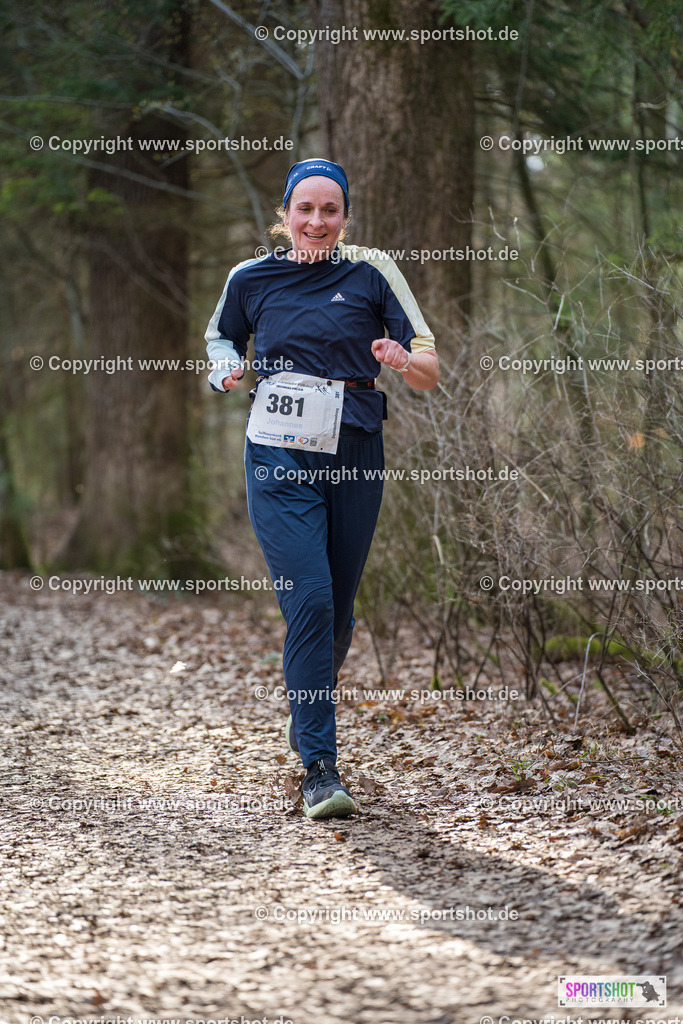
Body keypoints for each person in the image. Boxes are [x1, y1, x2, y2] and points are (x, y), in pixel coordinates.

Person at [205, 158, 438, 820]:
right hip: (277, 452)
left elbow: (428, 366)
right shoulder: (250, 278)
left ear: (344, 217)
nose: (315, 221)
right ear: (284, 214)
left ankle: (305, 704)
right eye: (303, 209)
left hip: (355, 447)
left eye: (328, 210)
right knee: (308, 599)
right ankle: (319, 767)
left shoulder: (371, 273)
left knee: (335, 611)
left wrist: (401, 359)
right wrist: (224, 371)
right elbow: (222, 335)